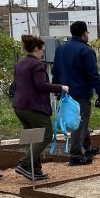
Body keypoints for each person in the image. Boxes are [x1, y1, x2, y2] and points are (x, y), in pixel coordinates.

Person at [12, 35, 68, 181]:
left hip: (19, 105)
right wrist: (61, 87)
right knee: (45, 134)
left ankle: (34, 169)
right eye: (42, 50)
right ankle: (25, 163)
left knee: (32, 136)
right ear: (36, 48)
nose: (43, 53)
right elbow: (41, 86)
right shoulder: (37, 65)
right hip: (33, 106)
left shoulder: (20, 63)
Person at [51, 20, 100, 166]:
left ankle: (87, 147)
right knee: (79, 122)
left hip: (65, 92)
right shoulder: (86, 50)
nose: (88, 35)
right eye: (87, 32)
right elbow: (93, 74)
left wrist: (57, 88)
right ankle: (75, 154)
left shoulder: (60, 49)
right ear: (83, 33)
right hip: (81, 92)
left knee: (81, 120)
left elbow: (55, 71)